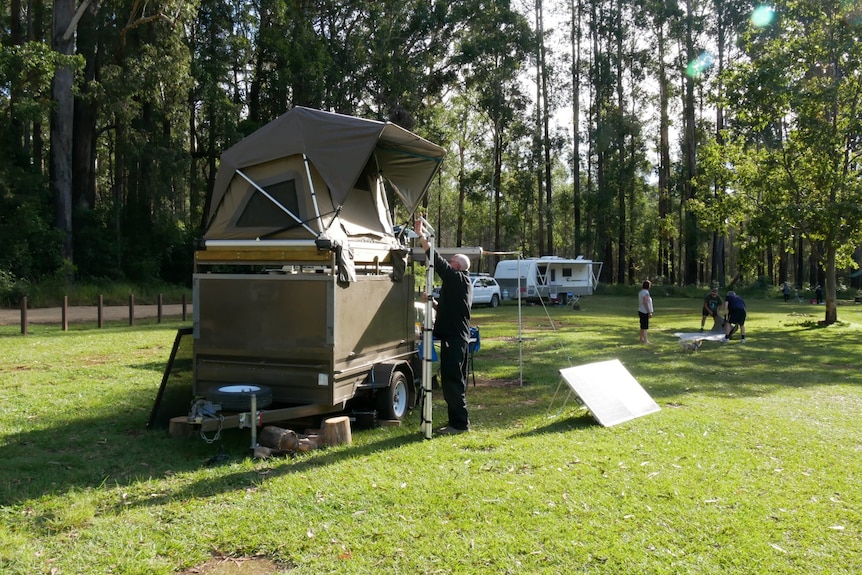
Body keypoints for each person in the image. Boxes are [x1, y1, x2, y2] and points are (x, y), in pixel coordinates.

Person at [414, 217, 473, 435]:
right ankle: (456, 422)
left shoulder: (457, 279)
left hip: (455, 341)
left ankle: (459, 425)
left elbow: (436, 260)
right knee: (452, 381)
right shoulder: (461, 283)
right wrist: (434, 302)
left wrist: (422, 236)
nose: (448, 263)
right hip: (456, 339)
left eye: (452, 261)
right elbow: (452, 311)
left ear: (456, 266)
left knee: (452, 382)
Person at [638, 280, 653, 344]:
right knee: (645, 327)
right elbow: (645, 302)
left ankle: (641, 338)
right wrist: (649, 312)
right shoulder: (645, 293)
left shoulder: (641, 292)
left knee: (642, 326)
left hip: (641, 310)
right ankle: (645, 340)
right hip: (644, 311)